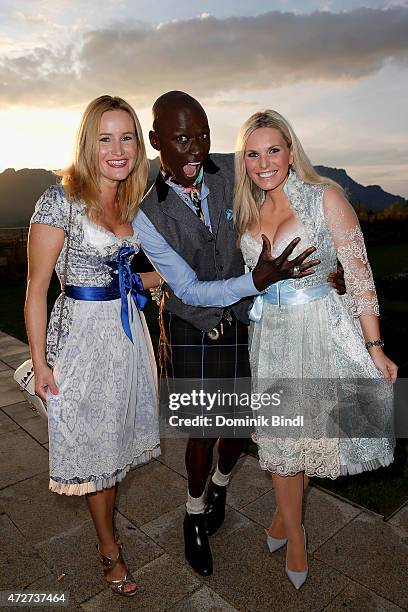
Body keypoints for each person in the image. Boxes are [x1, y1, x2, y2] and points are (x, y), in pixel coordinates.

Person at [133, 90, 345, 576]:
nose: (194, 150)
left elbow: (300, 199)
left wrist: (329, 269)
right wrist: (257, 280)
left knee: (237, 428)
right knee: (203, 431)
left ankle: (222, 487)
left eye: (203, 136)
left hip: (251, 320)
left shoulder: (235, 170)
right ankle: (192, 513)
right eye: (181, 138)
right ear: (155, 140)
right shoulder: (146, 215)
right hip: (192, 326)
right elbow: (186, 287)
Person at [234, 109, 397, 589]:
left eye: (273, 150)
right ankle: (294, 528)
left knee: (316, 436)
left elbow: (360, 274)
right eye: (252, 153)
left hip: (322, 329)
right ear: (243, 159)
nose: (264, 162)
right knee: (285, 439)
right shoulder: (243, 211)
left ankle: (289, 523)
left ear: (290, 151)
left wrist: (375, 346)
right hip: (270, 337)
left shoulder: (326, 197)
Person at [25, 95, 161, 597]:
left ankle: (108, 538)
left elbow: (124, 273)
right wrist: (40, 362)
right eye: (105, 137)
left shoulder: (129, 203)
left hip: (126, 341)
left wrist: (162, 279)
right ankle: (109, 549)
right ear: (88, 142)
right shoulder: (59, 199)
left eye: (127, 136)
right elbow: (37, 288)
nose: (118, 148)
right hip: (81, 345)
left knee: (116, 447)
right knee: (96, 455)